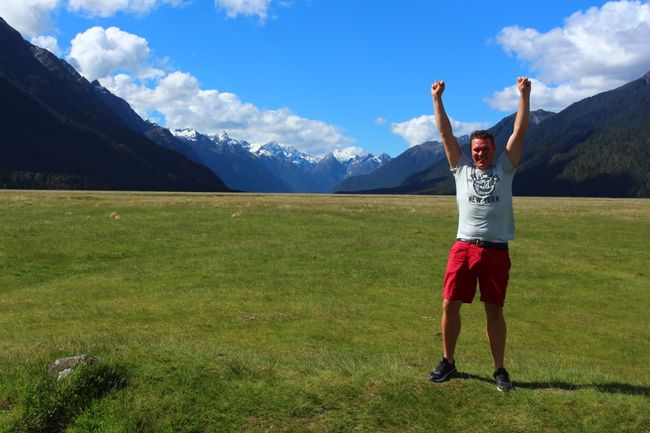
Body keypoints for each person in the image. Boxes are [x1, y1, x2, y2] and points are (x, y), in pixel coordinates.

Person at [427, 77, 531, 392]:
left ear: (494, 149)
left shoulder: (505, 168)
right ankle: (448, 361)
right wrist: (437, 99)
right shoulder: (461, 169)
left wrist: (524, 96)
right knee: (449, 304)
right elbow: (445, 134)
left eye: (484, 149)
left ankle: (499, 370)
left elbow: (519, 131)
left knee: (494, 309)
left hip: (496, 249)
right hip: (464, 246)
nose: (480, 154)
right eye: (475, 149)